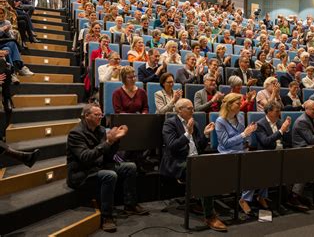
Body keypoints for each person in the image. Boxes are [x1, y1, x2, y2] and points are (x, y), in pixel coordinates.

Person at [66, 104, 148, 233]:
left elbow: (109, 155)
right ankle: (106, 216)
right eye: (97, 115)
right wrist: (108, 142)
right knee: (110, 175)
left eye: (101, 115)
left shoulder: (101, 130)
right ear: (86, 116)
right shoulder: (75, 133)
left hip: (99, 167)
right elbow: (85, 157)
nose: (100, 117)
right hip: (82, 173)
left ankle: (130, 204)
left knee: (130, 167)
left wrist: (116, 140)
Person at [159, 99, 226, 231]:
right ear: (179, 110)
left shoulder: (194, 123)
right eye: (189, 108)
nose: (193, 111)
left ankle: (203, 201)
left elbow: (199, 147)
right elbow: (172, 147)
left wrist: (206, 134)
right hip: (178, 162)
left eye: (192, 108)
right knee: (203, 173)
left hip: (195, 158)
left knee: (219, 164)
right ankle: (209, 216)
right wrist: (187, 133)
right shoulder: (170, 123)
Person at [215, 93, 267, 214]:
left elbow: (244, 137)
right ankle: (244, 199)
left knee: (265, 165)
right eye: (238, 103)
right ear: (229, 105)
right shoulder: (220, 121)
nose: (241, 105)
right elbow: (226, 143)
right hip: (228, 154)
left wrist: (249, 133)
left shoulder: (240, 117)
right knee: (252, 171)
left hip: (242, 151)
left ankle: (261, 196)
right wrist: (244, 134)